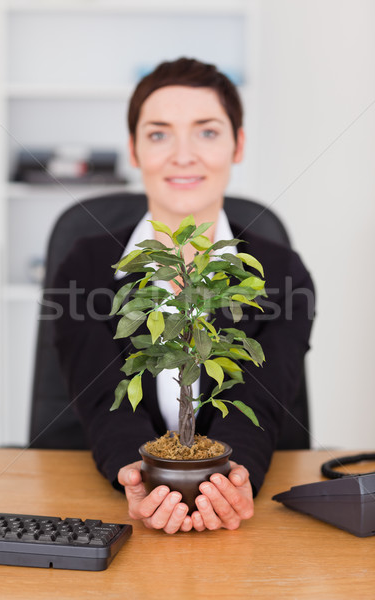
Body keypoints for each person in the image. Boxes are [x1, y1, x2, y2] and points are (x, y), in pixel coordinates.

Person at [53, 58, 315, 534]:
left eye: (207, 132)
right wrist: (138, 478)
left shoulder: (282, 272)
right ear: (133, 150)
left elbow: (265, 397)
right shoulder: (84, 266)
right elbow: (101, 400)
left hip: (255, 525)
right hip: (117, 514)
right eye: (158, 134)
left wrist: (236, 481)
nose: (183, 154)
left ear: (238, 144)